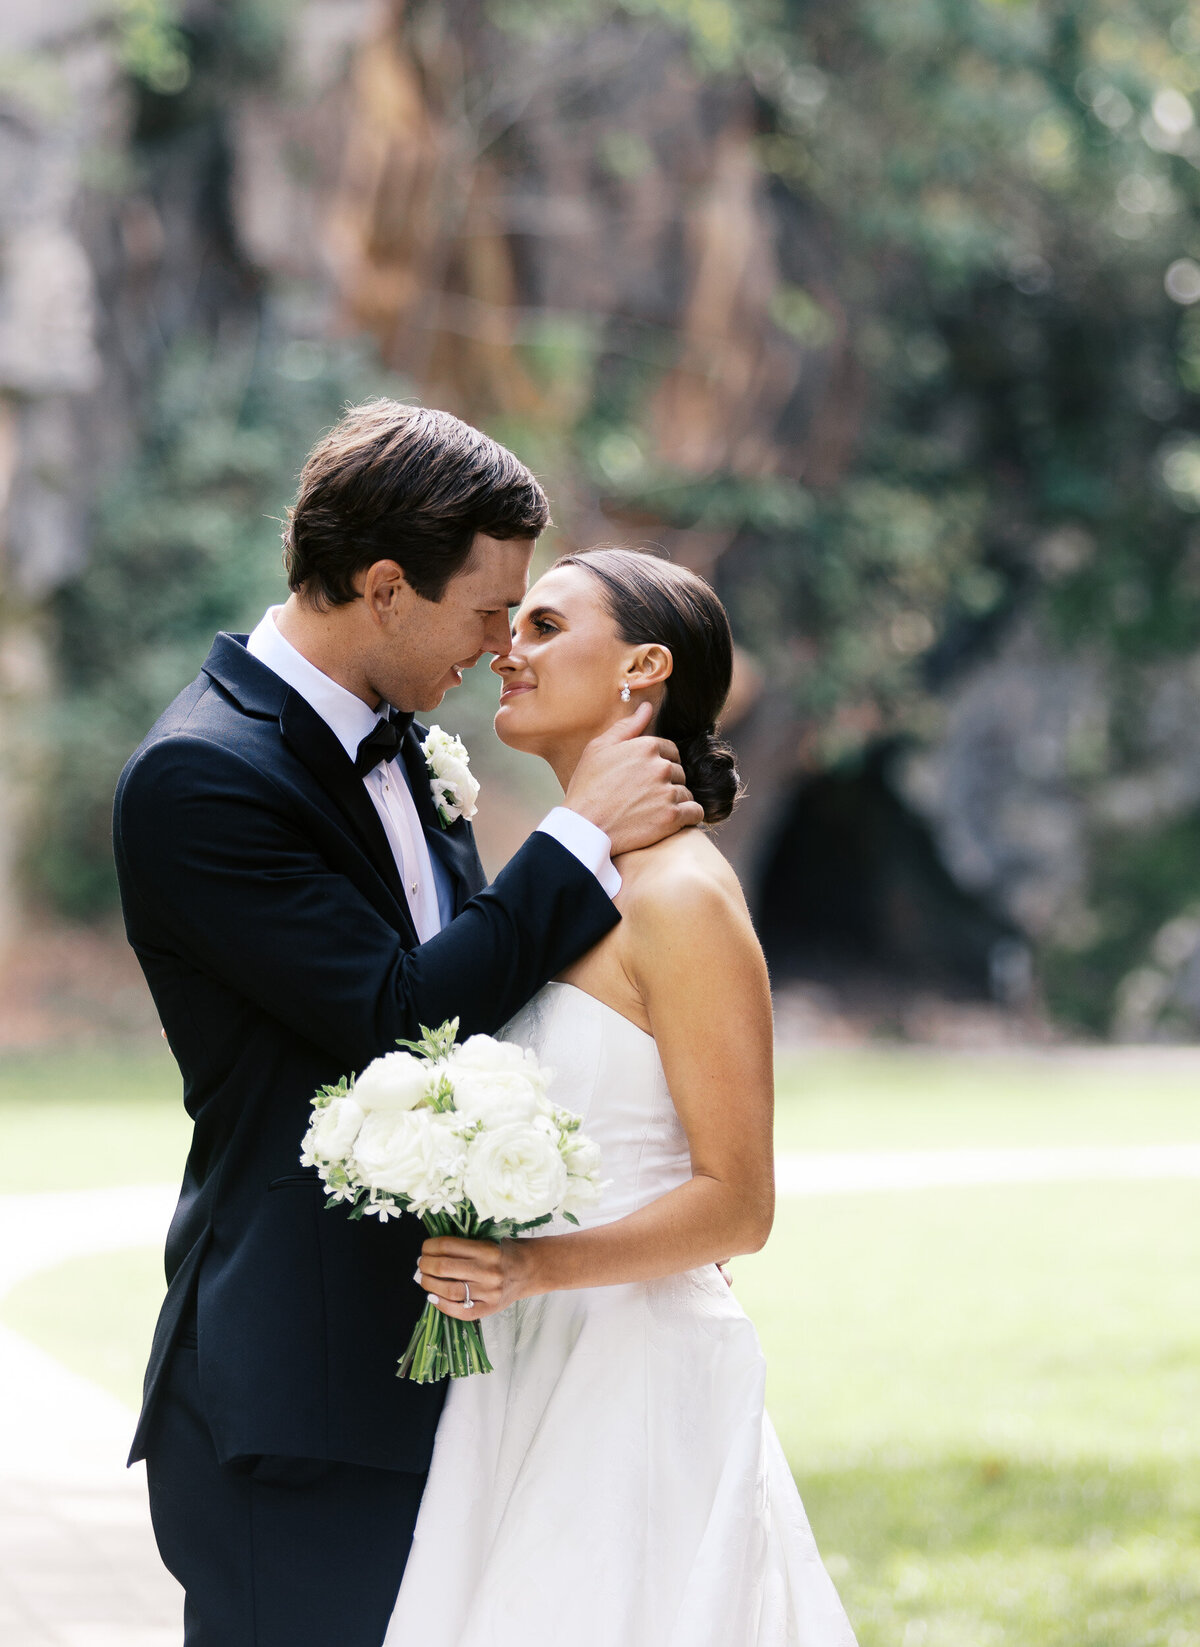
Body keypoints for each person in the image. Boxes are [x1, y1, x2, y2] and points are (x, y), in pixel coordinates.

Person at [112, 405, 702, 1647]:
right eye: (489, 611)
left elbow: (482, 990)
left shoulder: (412, 749)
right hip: (304, 1384)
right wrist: (580, 832)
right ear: (386, 588)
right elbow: (398, 1015)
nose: (501, 647)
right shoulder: (205, 776)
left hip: (450, 1373)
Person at [388, 548, 858, 1646]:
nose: (510, 649)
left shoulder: (684, 897)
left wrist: (535, 1266)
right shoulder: (573, 885)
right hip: (525, 1361)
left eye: (546, 627)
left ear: (643, 668)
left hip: (634, 1376)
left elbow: (740, 1205)